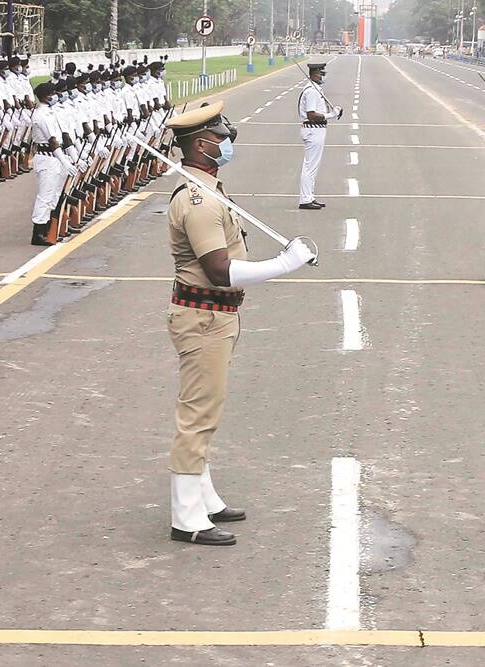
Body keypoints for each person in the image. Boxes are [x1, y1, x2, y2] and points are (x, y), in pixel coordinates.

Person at [164, 102, 315, 546]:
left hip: (215, 315)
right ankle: (186, 517)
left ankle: (204, 497)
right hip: (204, 314)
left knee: (208, 410)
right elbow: (219, 271)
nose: (227, 140)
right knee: (197, 414)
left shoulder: (209, 189)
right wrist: (283, 265)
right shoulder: (198, 200)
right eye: (219, 135)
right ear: (200, 144)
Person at [29, 82, 72, 246]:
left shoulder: (50, 112)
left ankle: (48, 229)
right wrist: (64, 161)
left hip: (55, 156)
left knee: (54, 195)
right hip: (47, 157)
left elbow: (62, 136)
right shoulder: (40, 115)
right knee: (45, 196)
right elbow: (52, 141)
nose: (56, 96)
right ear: (45, 96)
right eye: (52, 93)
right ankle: (38, 233)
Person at [297, 62, 341, 210]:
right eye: (321, 74)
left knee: (313, 166)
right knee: (310, 166)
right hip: (313, 129)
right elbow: (311, 114)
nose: (323, 76)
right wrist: (331, 115)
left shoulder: (315, 89)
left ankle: (310, 196)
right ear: (314, 74)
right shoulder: (311, 91)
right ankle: (305, 199)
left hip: (317, 130)